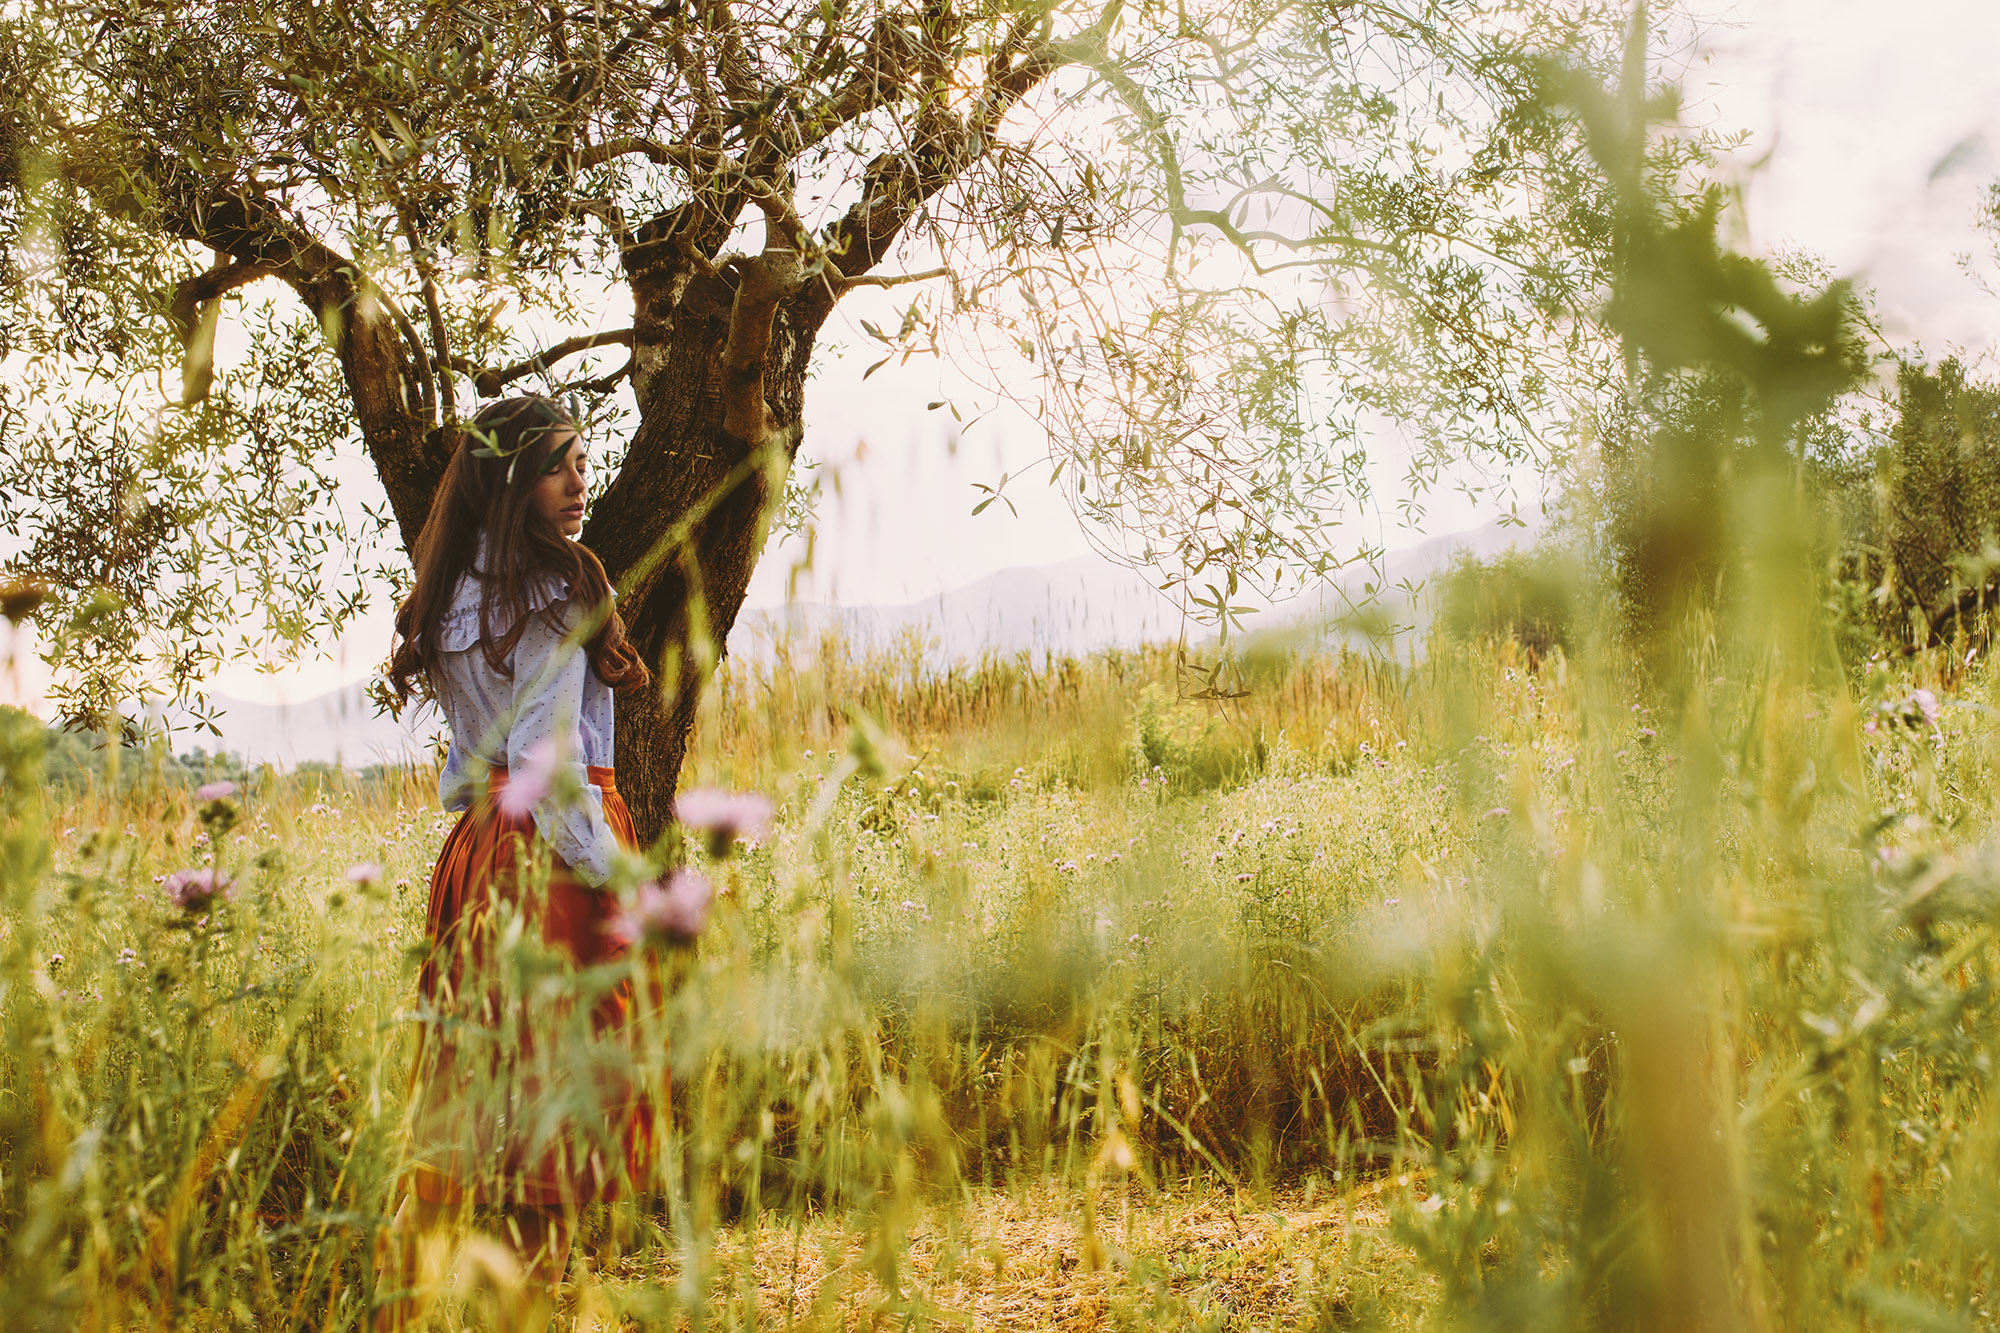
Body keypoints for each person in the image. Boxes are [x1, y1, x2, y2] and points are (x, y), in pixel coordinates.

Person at [379, 395, 653, 1324]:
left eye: (581, 461)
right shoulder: (548, 591)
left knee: (457, 1106)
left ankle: (405, 1311)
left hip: (478, 852)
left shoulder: (449, 589)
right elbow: (549, 771)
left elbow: (477, 769)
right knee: (558, 1120)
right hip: (549, 861)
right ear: (511, 481)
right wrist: (626, 883)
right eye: (555, 466)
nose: (579, 483)